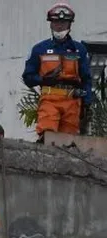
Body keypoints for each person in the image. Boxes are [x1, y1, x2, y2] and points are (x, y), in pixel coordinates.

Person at [22, 3, 93, 140]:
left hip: (73, 102)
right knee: (48, 135)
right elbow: (28, 77)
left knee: (68, 141)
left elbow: (86, 79)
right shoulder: (39, 49)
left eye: (63, 22)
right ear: (50, 24)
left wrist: (87, 102)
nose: (59, 26)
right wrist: (43, 80)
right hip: (50, 99)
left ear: (70, 25)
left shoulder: (79, 50)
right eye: (56, 22)